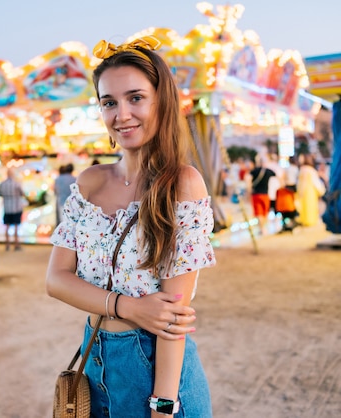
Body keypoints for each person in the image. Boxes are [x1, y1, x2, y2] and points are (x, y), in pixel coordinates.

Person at [46, 36, 216, 417]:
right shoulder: (89, 182)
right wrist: (130, 307)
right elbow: (55, 279)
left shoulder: (182, 185)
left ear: (161, 101)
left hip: (154, 369)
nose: (121, 114)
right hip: (94, 360)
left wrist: (163, 406)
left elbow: (173, 318)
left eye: (135, 97)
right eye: (109, 102)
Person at [246, 155, 276, 234]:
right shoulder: (268, 171)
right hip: (265, 194)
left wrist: (249, 190)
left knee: (259, 213)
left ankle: (262, 228)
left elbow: (247, 179)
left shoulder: (254, 171)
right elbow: (277, 175)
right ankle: (264, 228)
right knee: (265, 212)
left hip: (255, 194)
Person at [0, 167, 25, 251]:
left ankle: (7, 244)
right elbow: (22, 193)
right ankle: (16, 244)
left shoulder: (2, 184)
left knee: (7, 226)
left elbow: (0, 194)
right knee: (16, 226)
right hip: (16, 207)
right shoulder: (16, 184)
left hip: (7, 208)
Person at [296, 154, 326, 227]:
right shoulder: (310, 169)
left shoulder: (303, 169)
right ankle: (310, 221)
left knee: (306, 206)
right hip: (310, 191)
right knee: (310, 206)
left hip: (305, 190)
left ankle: (306, 221)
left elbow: (301, 182)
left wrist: (300, 191)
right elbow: (315, 181)